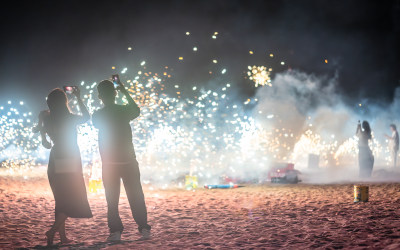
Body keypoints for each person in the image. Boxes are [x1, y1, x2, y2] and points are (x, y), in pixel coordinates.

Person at [92, 79, 151, 241]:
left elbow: (96, 124)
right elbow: (136, 109)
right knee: (136, 196)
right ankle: (144, 227)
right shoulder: (124, 111)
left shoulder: (97, 115)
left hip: (110, 163)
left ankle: (115, 231)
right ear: (115, 93)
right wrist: (124, 89)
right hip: (128, 161)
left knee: (111, 199)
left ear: (100, 96)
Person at [35, 87, 92, 246]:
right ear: (64, 102)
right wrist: (79, 97)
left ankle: (61, 237)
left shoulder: (46, 117)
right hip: (69, 156)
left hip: (55, 157)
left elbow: (45, 142)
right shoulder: (69, 118)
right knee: (72, 196)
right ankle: (52, 231)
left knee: (60, 198)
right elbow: (87, 117)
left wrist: (42, 135)